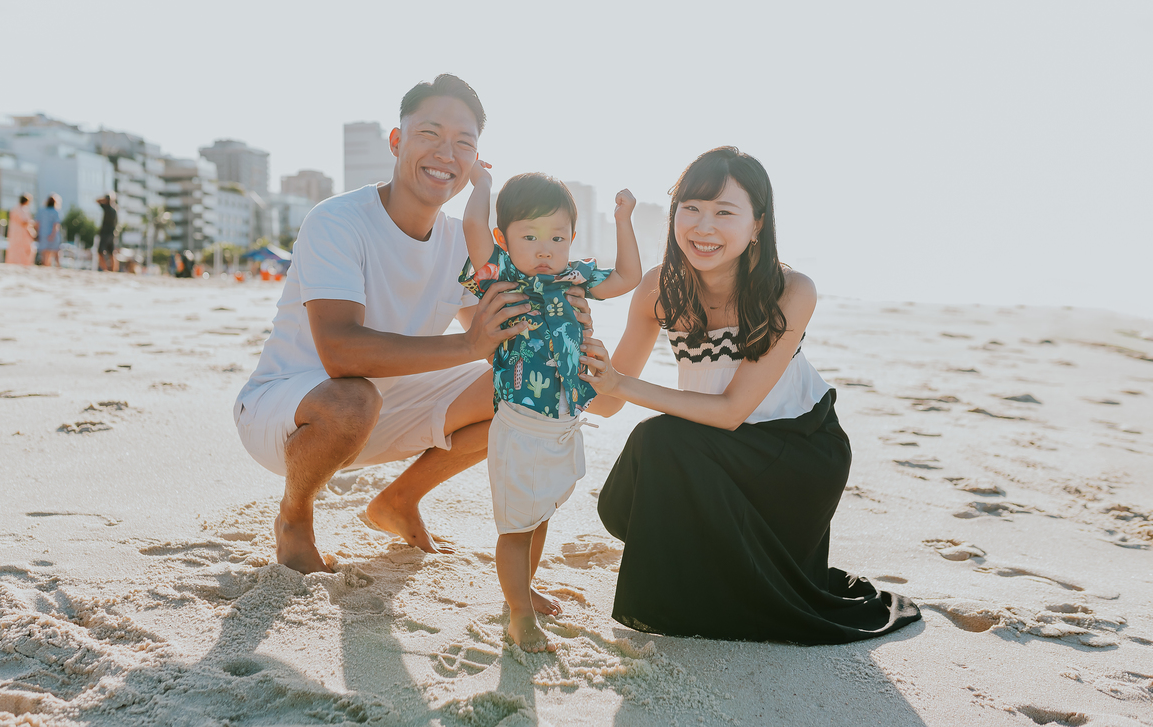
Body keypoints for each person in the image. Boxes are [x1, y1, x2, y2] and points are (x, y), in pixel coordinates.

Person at [233, 74, 594, 575]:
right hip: (292, 411)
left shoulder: (456, 243)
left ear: (475, 162)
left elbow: (504, 342)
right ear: (397, 141)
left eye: (463, 142)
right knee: (353, 398)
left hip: (388, 407)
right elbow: (340, 354)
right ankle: (294, 519)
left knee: (521, 390)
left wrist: (567, 329)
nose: (447, 152)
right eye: (430, 134)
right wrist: (471, 342)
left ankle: (397, 501)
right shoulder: (338, 220)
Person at [580, 147, 921, 644]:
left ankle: (691, 605)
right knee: (625, 497)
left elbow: (731, 411)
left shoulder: (791, 289)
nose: (703, 226)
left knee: (660, 441)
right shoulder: (659, 288)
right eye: (691, 208)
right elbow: (609, 400)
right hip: (718, 451)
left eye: (724, 212)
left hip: (796, 454)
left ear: (757, 224)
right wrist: (572, 359)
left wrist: (622, 384)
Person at [459, 169, 641, 651]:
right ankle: (518, 612)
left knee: (540, 517)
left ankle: (526, 589)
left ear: (572, 239)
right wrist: (481, 186)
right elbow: (473, 229)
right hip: (520, 427)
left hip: (563, 424)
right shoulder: (505, 276)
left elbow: (628, 277)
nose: (545, 249)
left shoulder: (573, 277)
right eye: (530, 235)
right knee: (516, 527)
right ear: (505, 239)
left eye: (557, 237)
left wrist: (623, 218)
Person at [6, 194, 36, 266]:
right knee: (24, 248)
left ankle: (16, 262)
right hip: (21, 233)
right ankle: (23, 263)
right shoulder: (22, 209)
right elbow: (24, 222)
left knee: (16, 248)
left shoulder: (15, 208)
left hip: (15, 232)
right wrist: (32, 223)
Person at [36, 194, 62, 267]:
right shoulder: (56, 212)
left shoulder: (41, 211)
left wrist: (37, 234)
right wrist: (53, 235)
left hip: (43, 234)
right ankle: (58, 267)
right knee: (56, 253)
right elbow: (56, 225)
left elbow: (37, 224)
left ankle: (46, 266)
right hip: (52, 235)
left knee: (45, 254)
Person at [97, 192, 118, 271]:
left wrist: (104, 199)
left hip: (105, 233)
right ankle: (113, 269)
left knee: (100, 252)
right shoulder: (115, 209)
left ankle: (104, 268)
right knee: (111, 253)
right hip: (112, 234)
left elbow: (97, 201)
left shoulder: (107, 208)